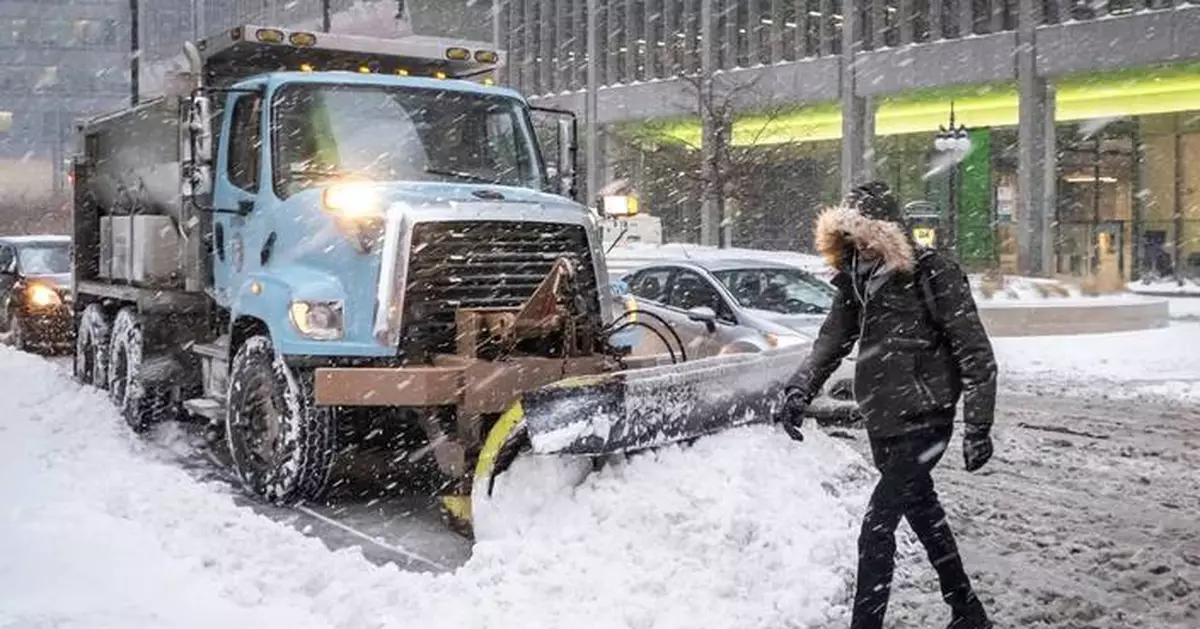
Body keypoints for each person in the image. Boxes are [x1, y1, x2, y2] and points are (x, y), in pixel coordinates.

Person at [778, 181, 998, 629]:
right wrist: (800, 389)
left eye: (864, 232)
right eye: (849, 232)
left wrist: (977, 426)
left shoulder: (932, 273)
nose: (858, 242)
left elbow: (974, 351)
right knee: (924, 514)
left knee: (876, 528)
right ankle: (968, 610)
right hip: (883, 420)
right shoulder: (855, 277)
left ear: (884, 231)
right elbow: (831, 341)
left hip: (926, 420)